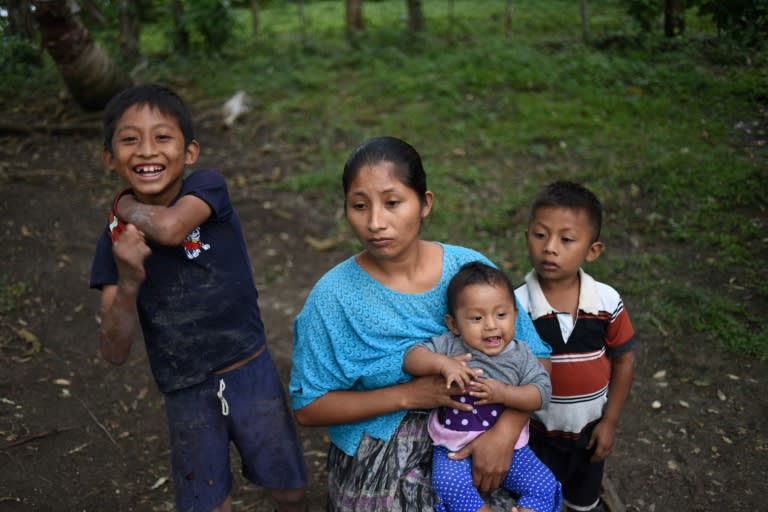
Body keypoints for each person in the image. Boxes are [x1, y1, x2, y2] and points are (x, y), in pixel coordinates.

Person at [288, 136, 552, 512]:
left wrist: (505, 432)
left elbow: (536, 359)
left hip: (485, 429)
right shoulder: (333, 298)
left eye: (393, 202)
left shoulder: (467, 269)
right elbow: (309, 406)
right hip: (379, 456)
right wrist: (410, 395)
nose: (376, 222)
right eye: (359, 206)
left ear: (425, 203)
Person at [89, 84, 308, 512]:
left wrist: (126, 206)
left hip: (250, 370)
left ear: (189, 153)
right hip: (186, 389)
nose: (146, 150)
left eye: (162, 137)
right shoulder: (114, 245)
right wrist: (130, 281)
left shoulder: (207, 189)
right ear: (109, 158)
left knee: (290, 490)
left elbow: (170, 229)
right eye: (130, 139)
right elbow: (114, 350)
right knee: (205, 502)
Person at [514, 181, 636, 512]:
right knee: (537, 499)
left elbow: (624, 360)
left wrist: (609, 422)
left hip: (588, 433)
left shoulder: (607, 301)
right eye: (540, 235)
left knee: (582, 501)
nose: (550, 247)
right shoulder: (516, 307)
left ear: (592, 250)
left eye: (566, 240)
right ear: (527, 238)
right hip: (534, 434)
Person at [404, 261, 563, 512]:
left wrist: (504, 393)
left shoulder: (520, 356)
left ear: (515, 316)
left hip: (511, 448)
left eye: (501, 314)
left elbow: (541, 393)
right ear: (454, 324)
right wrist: (442, 364)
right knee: (448, 485)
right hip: (454, 448)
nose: (491, 325)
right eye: (477, 318)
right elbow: (412, 357)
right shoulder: (451, 345)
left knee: (544, 485)